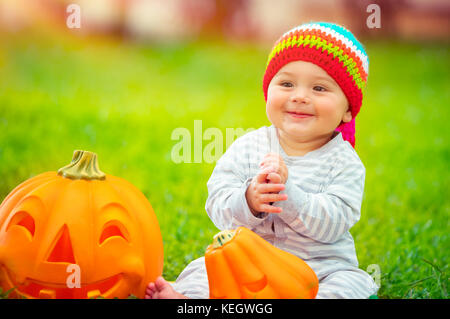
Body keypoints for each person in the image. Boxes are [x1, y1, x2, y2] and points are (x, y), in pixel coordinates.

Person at [145, 22, 379, 299]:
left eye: (319, 88)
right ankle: (186, 299)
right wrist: (248, 199)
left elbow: (334, 223)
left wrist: (289, 196)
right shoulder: (249, 146)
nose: (300, 96)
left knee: (352, 283)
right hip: (248, 265)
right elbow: (217, 204)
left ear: (348, 110)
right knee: (203, 270)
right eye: (287, 83)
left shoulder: (344, 162)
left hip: (319, 269)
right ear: (269, 92)